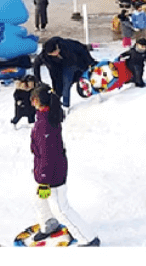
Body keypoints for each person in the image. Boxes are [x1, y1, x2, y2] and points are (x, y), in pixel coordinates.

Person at [27, 85, 100, 246]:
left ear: (36, 101)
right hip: (45, 171)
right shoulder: (45, 116)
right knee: (39, 199)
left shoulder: (44, 124)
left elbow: (47, 156)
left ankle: (88, 239)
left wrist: (44, 181)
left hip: (51, 175)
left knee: (61, 208)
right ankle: (49, 224)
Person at [32, 36, 97, 108]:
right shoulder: (44, 57)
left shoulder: (65, 44)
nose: (57, 52)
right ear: (49, 54)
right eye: (54, 52)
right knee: (61, 88)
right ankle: (63, 106)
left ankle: (95, 89)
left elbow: (82, 48)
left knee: (74, 80)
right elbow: (36, 65)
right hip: (57, 71)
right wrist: (38, 80)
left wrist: (91, 62)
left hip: (74, 63)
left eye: (57, 49)